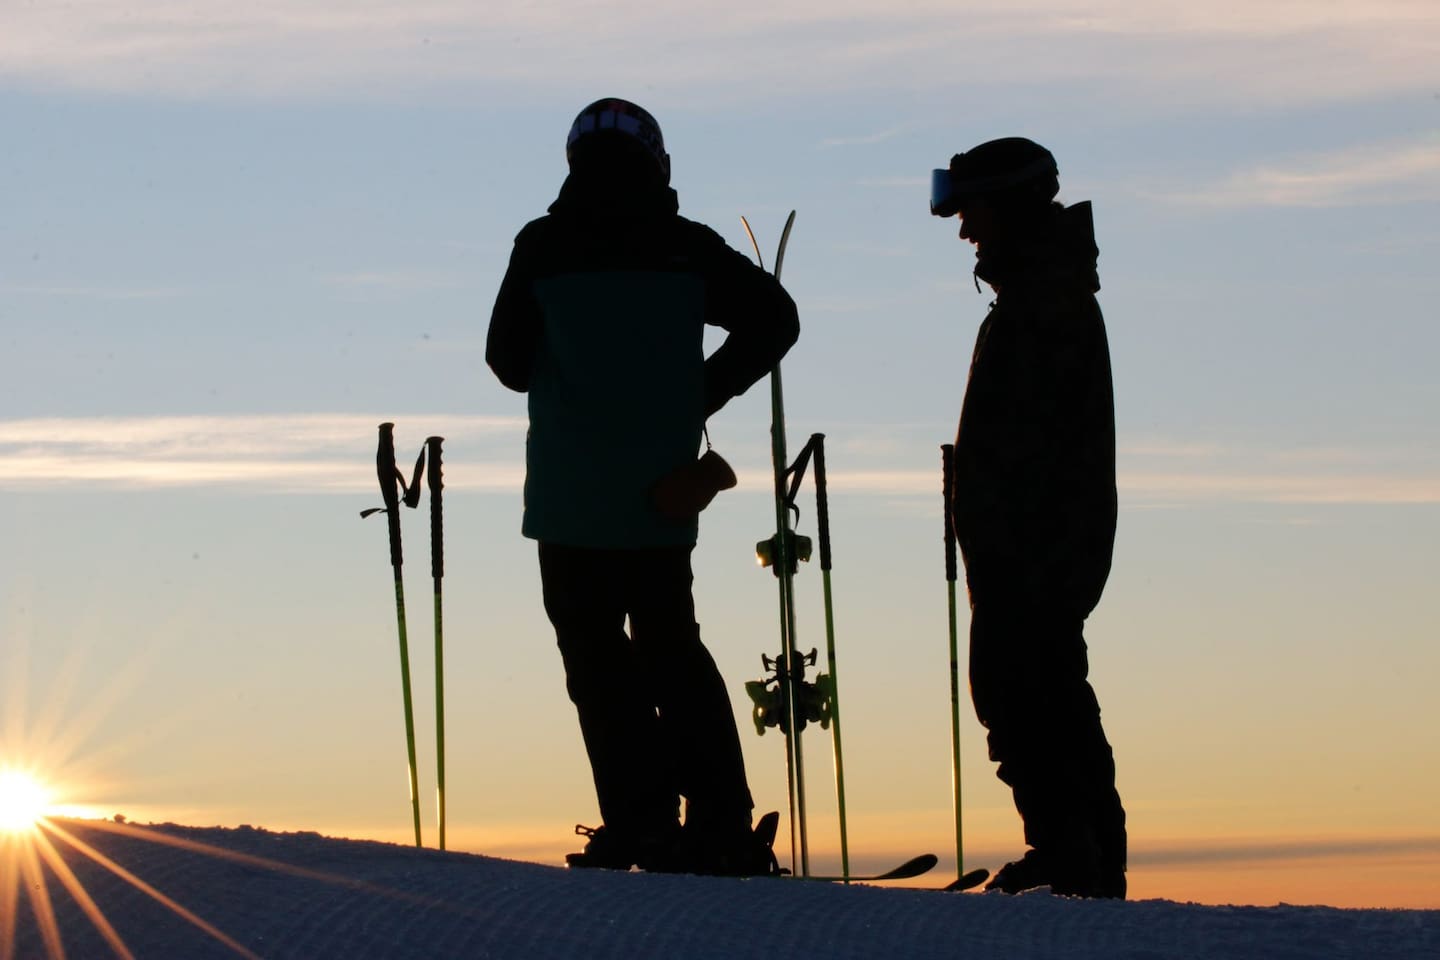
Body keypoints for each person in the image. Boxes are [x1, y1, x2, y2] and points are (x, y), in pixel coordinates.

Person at [487, 98, 799, 876]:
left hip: (567, 497)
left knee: (595, 663)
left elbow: (507, 362)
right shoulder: (686, 250)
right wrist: (699, 392)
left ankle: (640, 824)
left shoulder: (544, 244)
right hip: (660, 494)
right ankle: (721, 825)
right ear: (657, 164)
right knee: (673, 650)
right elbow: (775, 320)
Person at [930, 137, 1127, 898]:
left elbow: (1039, 445)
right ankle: (1076, 855)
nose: (964, 230)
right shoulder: (1039, 294)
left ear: (1007, 206)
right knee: (1036, 691)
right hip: (1030, 545)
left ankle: (1073, 857)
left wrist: (998, 516)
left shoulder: (1044, 303)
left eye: (971, 210)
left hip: (1035, 550)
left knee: (1028, 693)